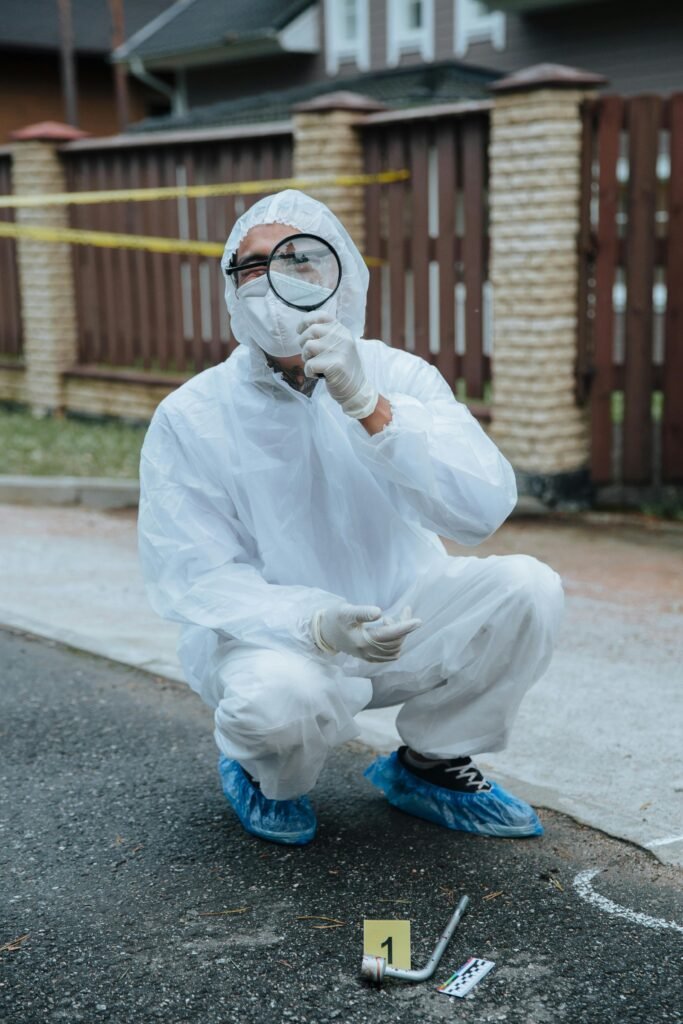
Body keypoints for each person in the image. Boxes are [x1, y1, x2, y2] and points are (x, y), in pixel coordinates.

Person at [138, 189, 564, 847]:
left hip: (405, 616)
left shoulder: (399, 375)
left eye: (298, 259)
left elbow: (480, 509)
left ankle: (432, 764)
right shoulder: (192, 416)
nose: (273, 280)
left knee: (529, 588)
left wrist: (369, 405)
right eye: (252, 267)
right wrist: (313, 623)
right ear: (231, 290)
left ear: (338, 277)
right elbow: (194, 574)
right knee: (276, 702)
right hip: (277, 642)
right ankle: (266, 773)